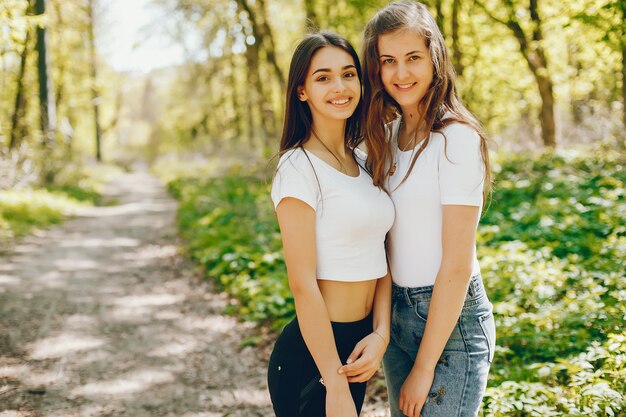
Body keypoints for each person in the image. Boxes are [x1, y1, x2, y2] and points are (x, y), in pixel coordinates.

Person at [358, 1, 497, 416]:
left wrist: (424, 367)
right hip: (397, 314)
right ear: (376, 69)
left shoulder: (456, 139)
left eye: (413, 58)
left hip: (451, 325)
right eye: (389, 61)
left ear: (435, 58)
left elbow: (456, 264)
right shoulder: (382, 138)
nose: (401, 73)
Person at [267, 32, 395, 417]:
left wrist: (381, 334)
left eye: (348, 74)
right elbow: (302, 285)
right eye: (323, 77)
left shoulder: (364, 161)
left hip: (359, 345)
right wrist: (333, 381)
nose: (339, 87)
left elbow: (382, 256)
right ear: (302, 91)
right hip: (314, 357)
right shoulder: (297, 168)